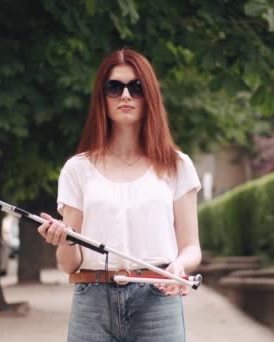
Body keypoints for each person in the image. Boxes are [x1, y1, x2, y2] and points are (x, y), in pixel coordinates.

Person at [37, 48, 202, 342]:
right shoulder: (78, 169)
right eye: (114, 87)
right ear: (102, 97)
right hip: (93, 300)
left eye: (136, 87)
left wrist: (179, 266)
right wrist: (62, 239)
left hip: (157, 298)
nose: (125, 95)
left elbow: (191, 247)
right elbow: (69, 264)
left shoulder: (177, 165)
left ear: (149, 95)